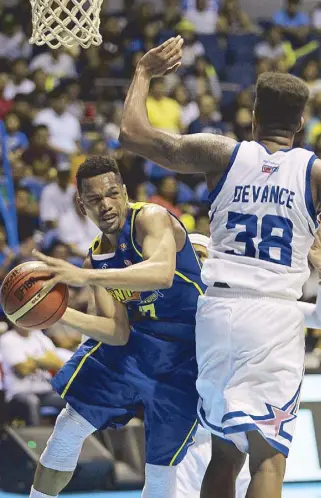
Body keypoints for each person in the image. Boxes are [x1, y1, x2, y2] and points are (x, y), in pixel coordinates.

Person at [118, 37, 321, 498]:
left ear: (253, 113)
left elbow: (132, 134)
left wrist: (144, 73)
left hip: (218, 312)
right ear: (302, 121)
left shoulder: (222, 154)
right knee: (268, 457)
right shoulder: (313, 173)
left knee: (224, 453)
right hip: (273, 317)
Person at [29, 156, 205, 498]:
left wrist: (85, 277)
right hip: (136, 348)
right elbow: (115, 331)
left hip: (188, 354)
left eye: (112, 193)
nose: (106, 204)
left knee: (159, 469)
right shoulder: (97, 258)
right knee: (68, 426)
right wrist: (55, 312)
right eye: (94, 199)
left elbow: (161, 273)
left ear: (124, 192)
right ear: (82, 205)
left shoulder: (149, 219)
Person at [0, 324, 65, 426]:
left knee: (70, 399)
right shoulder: (7, 339)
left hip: (45, 392)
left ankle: (69, 438)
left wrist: (33, 360)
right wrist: (44, 361)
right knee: (32, 401)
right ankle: (35, 441)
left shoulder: (39, 336)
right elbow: (23, 369)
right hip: (18, 394)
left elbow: (58, 363)